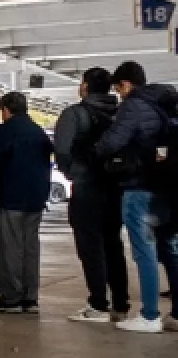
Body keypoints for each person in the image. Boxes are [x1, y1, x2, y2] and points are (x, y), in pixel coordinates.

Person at [95, 61, 178, 333]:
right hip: (165, 185)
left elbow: (111, 143)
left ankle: (150, 315)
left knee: (145, 250)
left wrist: (97, 149)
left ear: (126, 84)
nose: (119, 95)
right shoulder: (164, 103)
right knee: (170, 248)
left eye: (118, 89)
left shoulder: (133, 106)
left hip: (138, 185)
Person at [55, 67, 131, 323]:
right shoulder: (121, 113)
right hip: (115, 187)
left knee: (90, 246)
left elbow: (62, 150)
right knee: (113, 244)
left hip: (87, 187)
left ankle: (98, 304)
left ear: (85, 86)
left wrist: (72, 172)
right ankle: (120, 304)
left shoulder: (75, 113)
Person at [0, 91, 54, 314]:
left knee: (10, 248)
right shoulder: (38, 131)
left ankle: (11, 297)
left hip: (10, 197)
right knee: (30, 247)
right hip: (36, 197)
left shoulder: (4, 132)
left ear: (5, 110)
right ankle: (30, 297)